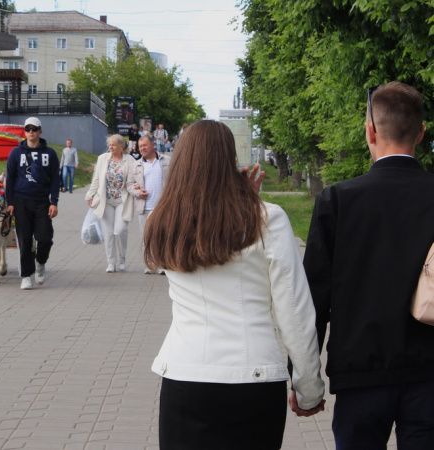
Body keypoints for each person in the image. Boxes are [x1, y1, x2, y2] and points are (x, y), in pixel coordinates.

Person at [144, 120, 325, 449]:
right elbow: (294, 311)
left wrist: (237, 201)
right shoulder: (267, 218)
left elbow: (208, 232)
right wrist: (309, 387)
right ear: (231, 159)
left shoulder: (162, 219)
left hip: (186, 375)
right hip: (254, 378)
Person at [303, 82, 434, 449]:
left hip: (359, 372)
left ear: (370, 131)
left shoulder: (338, 200)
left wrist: (305, 378)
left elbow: (314, 296)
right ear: (421, 133)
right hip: (429, 372)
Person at [4, 117, 60, 290]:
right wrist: (10, 202)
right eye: (28, 129)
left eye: (34, 129)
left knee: (45, 238)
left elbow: (55, 180)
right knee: (25, 240)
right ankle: (26, 275)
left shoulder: (49, 154)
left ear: (40, 131)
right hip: (21, 201)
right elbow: (10, 178)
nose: (31, 132)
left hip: (42, 201)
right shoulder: (16, 153)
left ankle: (40, 263)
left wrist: (54, 202)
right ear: (24, 132)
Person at [85, 134, 135, 273]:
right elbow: (96, 179)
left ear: (121, 146)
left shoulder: (129, 160)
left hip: (122, 201)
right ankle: (111, 262)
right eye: (109, 145)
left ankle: (122, 259)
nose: (110, 147)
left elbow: (131, 182)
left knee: (120, 230)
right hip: (106, 201)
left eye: (113, 145)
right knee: (108, 233)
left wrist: (136, 191)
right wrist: (89, 194)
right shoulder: (103, 159)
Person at [127, 134, 170, 274]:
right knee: (146, 237)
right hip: (144, 207)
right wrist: (137, 191)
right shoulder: (136, 164)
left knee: (162, 236)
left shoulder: (166, 161)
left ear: (153, 145)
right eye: (140, 146)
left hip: (163, 207)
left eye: (145, 145)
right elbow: (129, 185)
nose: (142, 148)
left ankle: (162, 265)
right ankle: (150, 265)